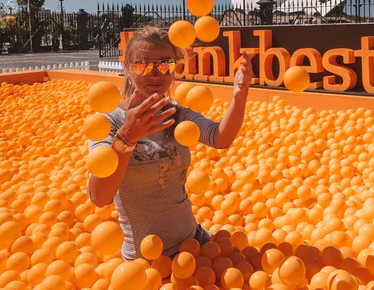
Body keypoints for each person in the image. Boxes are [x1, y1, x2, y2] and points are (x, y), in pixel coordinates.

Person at [88, 26, 253, 261]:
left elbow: (219, 137)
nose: (155, 73)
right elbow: (99, 196)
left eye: (165, 64)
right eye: (142, 65)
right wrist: (126, 138)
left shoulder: (177, 115)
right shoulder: (109, 123)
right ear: (126, 68)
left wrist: (239, 96)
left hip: (195, 243)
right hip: (146, 263)